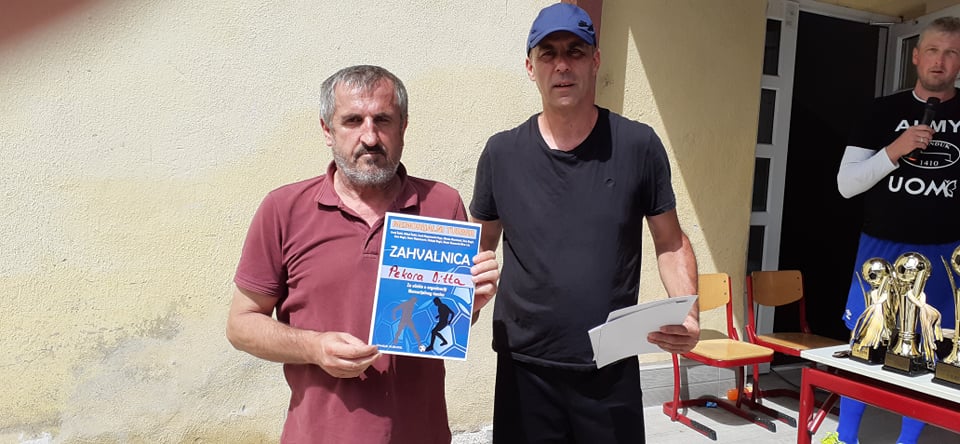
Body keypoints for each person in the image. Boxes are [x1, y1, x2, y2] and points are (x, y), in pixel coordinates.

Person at [226, 65, 500, 444]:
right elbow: (241, 325)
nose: (369, 137)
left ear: (403, 127)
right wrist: (314, 347)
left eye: (382, 120)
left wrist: (471, 303)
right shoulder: (283, 209)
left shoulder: (441, 204)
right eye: (353, 120)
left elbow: (441, 326)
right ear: (327, 130)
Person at [468, 4, 700, 443]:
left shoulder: (637, 146)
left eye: (575, 51)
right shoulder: (501, 154)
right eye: (548, 53)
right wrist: (464, 307)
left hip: (609, 367)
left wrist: (688, 313)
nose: (562, 65)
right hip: (524, 370)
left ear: (595, 60)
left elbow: (669, 242)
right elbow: (477, 247)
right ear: (530, 67)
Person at [832, 17, 960, 444]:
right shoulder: (881, 111)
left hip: (946, 252)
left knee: (928, 349)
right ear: (916, 56)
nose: (940, 61)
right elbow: (846, 185)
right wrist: (895, 150)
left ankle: (907, 442)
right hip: (881, 249)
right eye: (933, 50)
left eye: (952, 53)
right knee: (865, 342)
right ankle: (845, 437)